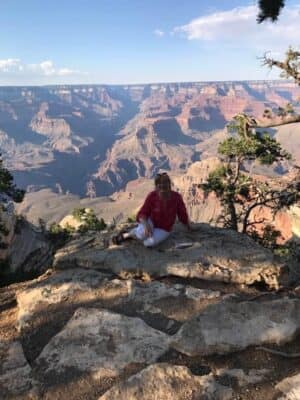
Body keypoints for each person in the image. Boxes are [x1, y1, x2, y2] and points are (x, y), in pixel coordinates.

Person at [112, 172, 191, 247]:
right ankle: (126, 235)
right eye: (160, 185)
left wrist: (188, 226)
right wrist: (146, 224)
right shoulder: (152, 196)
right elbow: (142, 213)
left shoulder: (176, 197)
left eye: (165, 185)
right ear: (156, 187)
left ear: (169, 185)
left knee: (148, 243)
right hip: (151, 222)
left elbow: (182, 214)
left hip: (164, 229)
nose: (162, 188)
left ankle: (136, 233)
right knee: (141, 234)